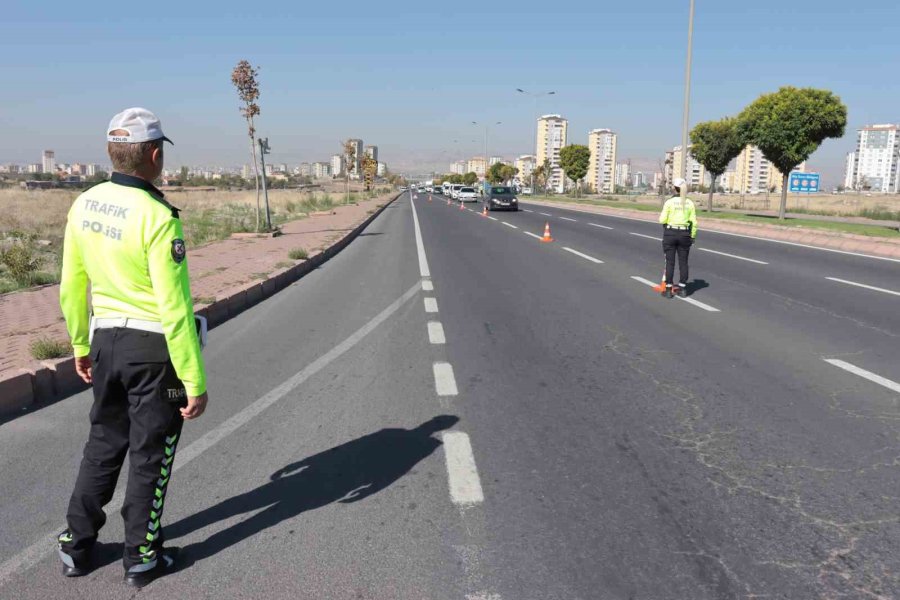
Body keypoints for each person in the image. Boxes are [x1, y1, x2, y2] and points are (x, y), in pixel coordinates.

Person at [57, 107, 208, 588]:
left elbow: (70, 285)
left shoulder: (84, 204)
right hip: (153, 352)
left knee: (103, 444)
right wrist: (194, 380)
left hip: (105, 341)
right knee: (150, 454)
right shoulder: (159, 216)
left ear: (111, 153)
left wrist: (80, 343)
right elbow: (175, 308)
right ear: (155, 155)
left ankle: (76, 546)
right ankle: (142, 556)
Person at [658, 177, 698, 298]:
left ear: (674, 188)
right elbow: (694, 223)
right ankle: (683, 288)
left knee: (670, 262)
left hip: (670, 233)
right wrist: (692, 236)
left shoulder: (669, 202)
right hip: (685, 234)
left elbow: (662, 220)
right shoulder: (690, 203)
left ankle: (668, 289)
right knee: (683, 262)